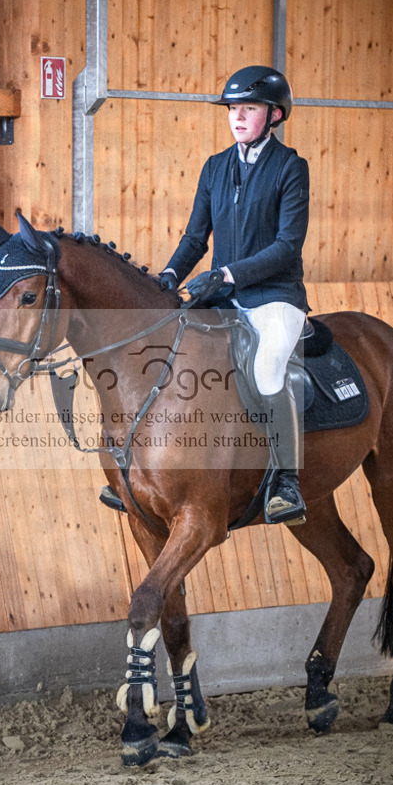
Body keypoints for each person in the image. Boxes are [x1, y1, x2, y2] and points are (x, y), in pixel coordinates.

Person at [158, 64, 310, 526]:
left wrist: (227, 274)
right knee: (172, 353)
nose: (237, 117)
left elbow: (288, 246)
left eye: (249, 108)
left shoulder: (291, 168)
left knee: (267, 371)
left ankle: (287, 481)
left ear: (275, 115)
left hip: (275, 296)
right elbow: (194, 238)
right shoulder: (214, 167)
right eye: (233, 109)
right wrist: (168, 274)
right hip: (223, 296)